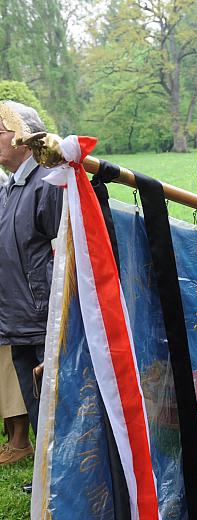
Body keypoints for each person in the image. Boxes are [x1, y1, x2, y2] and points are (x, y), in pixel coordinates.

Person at [0, 101, 62, 463]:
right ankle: (47, 478)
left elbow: (66, 252)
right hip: (18, 321)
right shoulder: (11, 186)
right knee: (39, 409)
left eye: (1, 131)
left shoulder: (46, 182)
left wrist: (50, 311)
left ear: (25, 137)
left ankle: (62, 482)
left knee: (56, 408)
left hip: (43, 320)